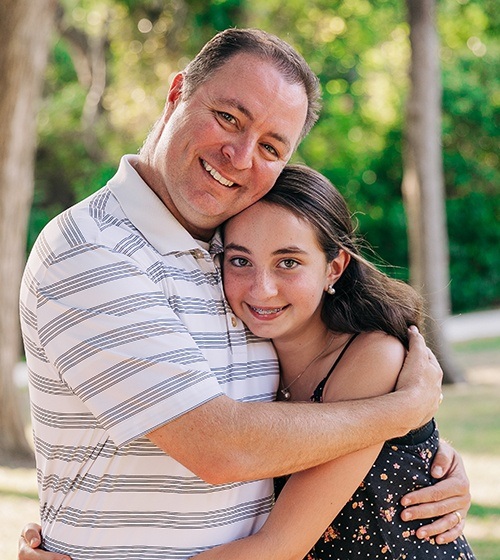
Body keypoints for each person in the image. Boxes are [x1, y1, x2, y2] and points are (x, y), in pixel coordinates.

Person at [18, 28, 469, 560]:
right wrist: (402, 412)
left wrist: (412, 455)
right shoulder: (92, 249)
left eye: (271, 147)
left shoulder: (235, 255)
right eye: (229, 117)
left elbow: (301, 412)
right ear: (176, 93)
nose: (239, 155)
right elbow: (221, 445)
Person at [186, 164, 476, 559]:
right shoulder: (246, 353)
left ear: (333, 268)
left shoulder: (374, 357)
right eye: (240, 261)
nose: (261, 289)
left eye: (288, 262)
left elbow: (278, 547)